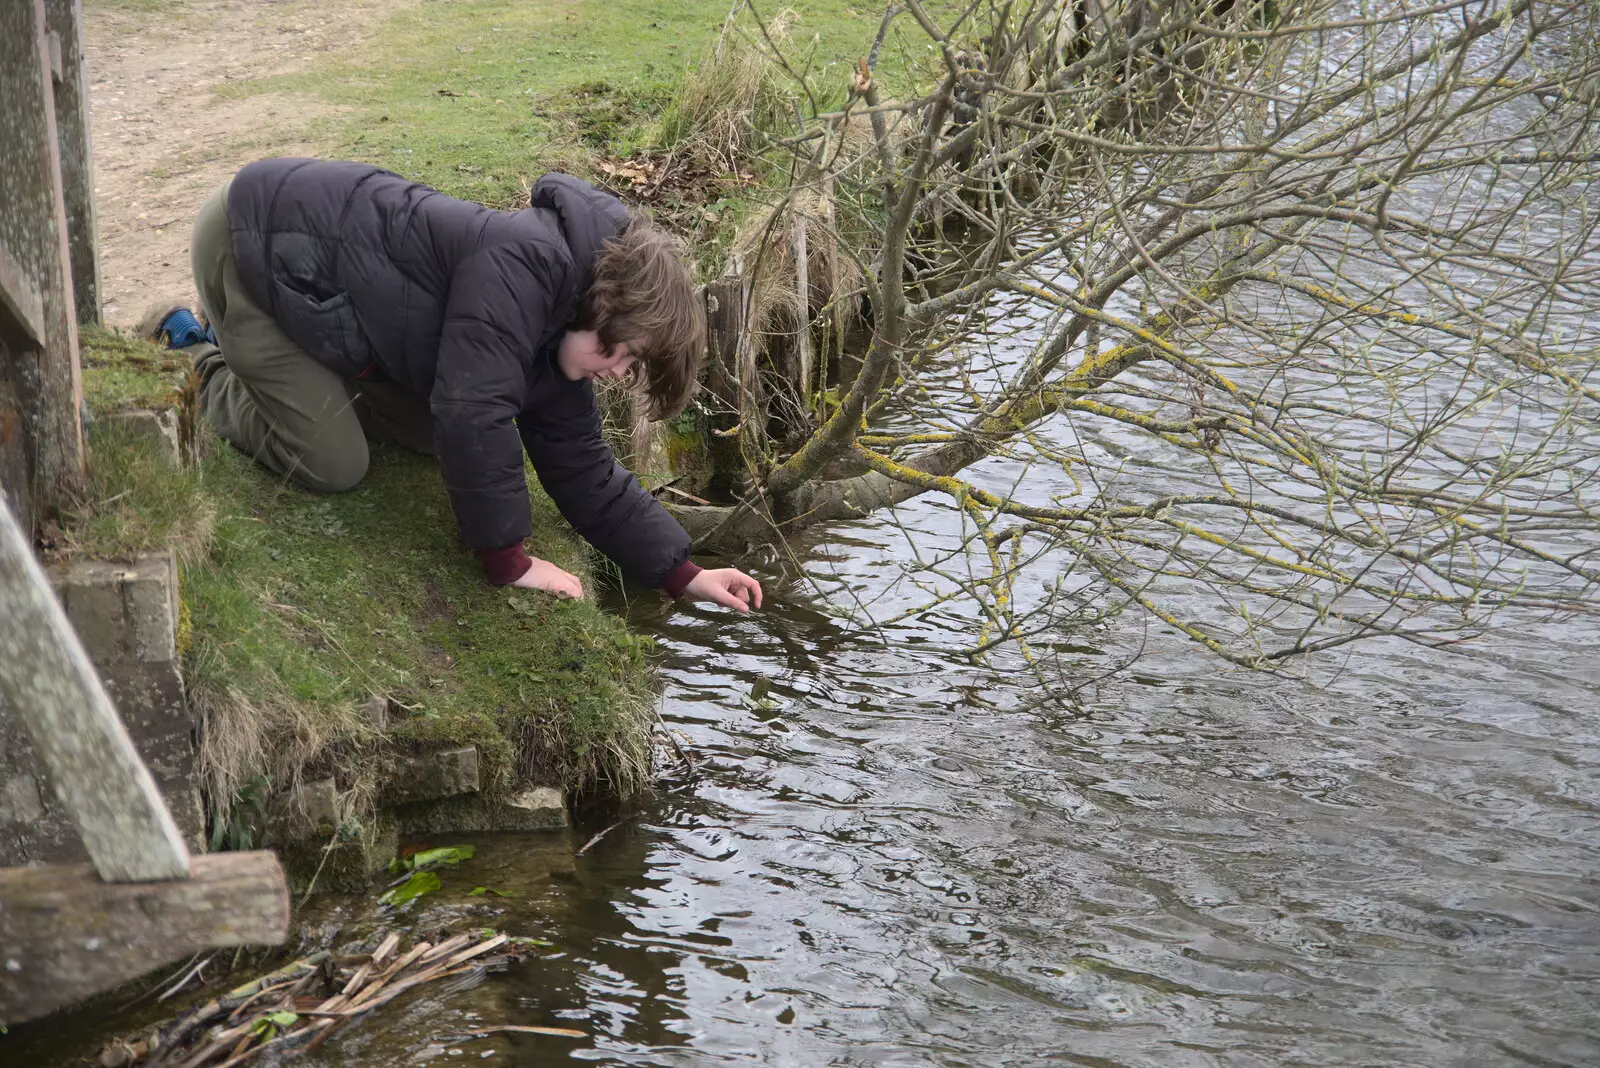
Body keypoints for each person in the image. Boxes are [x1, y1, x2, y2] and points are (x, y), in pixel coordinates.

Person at [145, 157, 761, 612]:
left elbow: (581, 465)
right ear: (606, 305)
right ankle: (193, 349)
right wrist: (508, 560)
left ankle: (267, 355)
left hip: (325, 294)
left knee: (426, 432)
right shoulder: (525, 265)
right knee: (330, 461)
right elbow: (473, 410)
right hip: (253, 245)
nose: (618, 372)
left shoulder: (561, 325)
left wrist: (682, 572)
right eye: (622, 353)